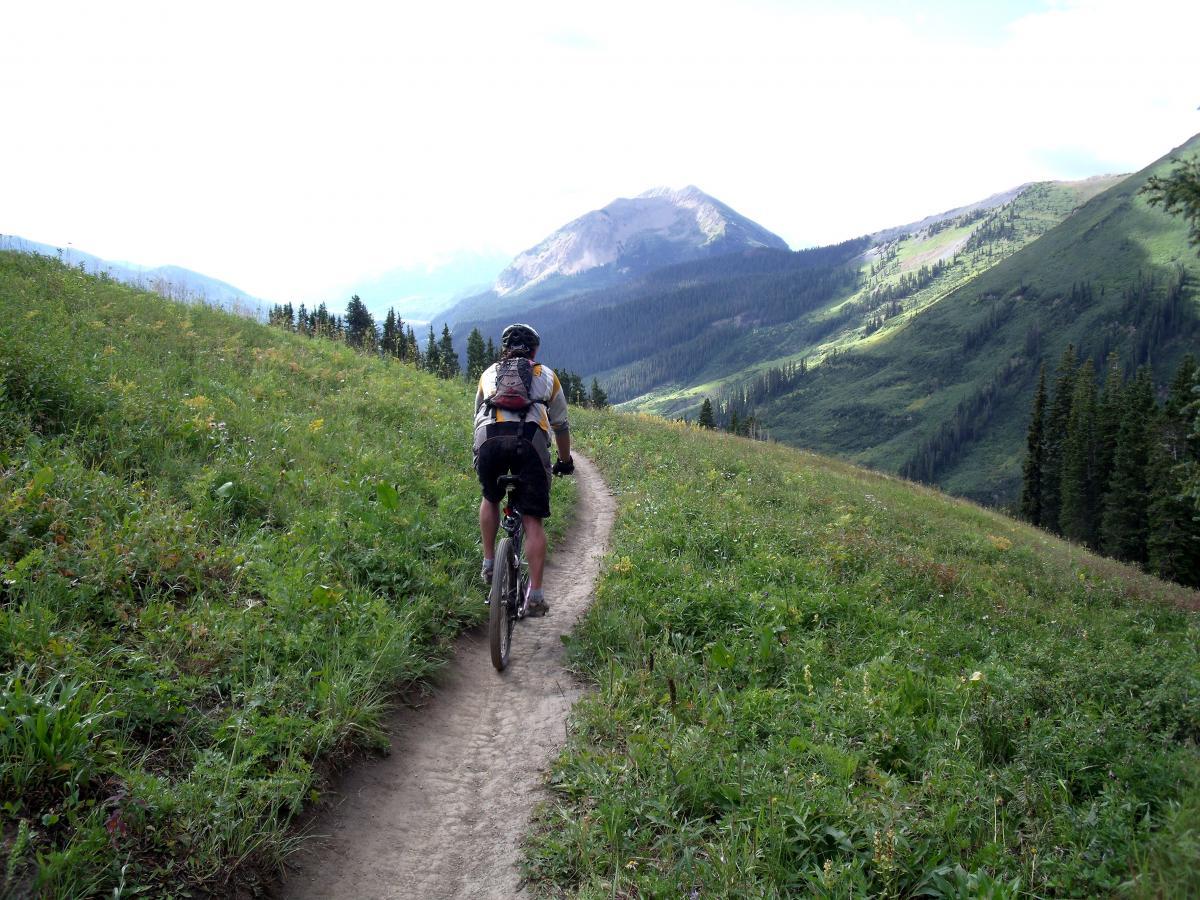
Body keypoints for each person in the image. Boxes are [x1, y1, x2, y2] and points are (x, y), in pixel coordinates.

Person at [474, 323, 573, 616]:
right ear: (535, 350)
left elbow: (478, 416)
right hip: (529, 444)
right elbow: (561, 426)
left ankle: (489, 563)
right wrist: (565, 461)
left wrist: (479, 455)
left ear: (504, 349)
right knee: (532, 521)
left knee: (490, 497)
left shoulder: (488, 374)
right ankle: (536, 597)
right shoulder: (547, 376)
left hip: (488, 440)